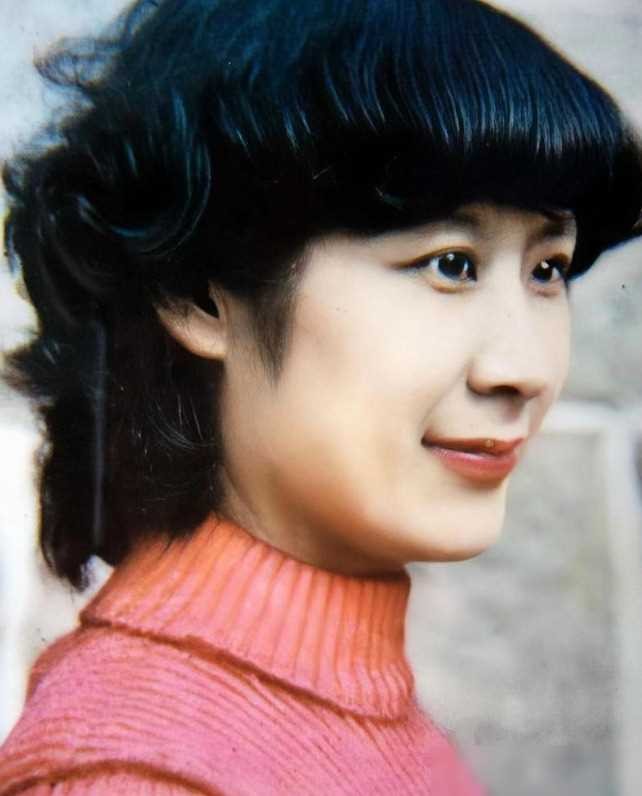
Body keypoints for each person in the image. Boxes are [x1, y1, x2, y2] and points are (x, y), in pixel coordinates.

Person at [0, 0, 640, 792]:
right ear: (201, 296)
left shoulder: (353, 707)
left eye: (547, 270)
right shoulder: (141, 773)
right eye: (450, 263)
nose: (524, 369)